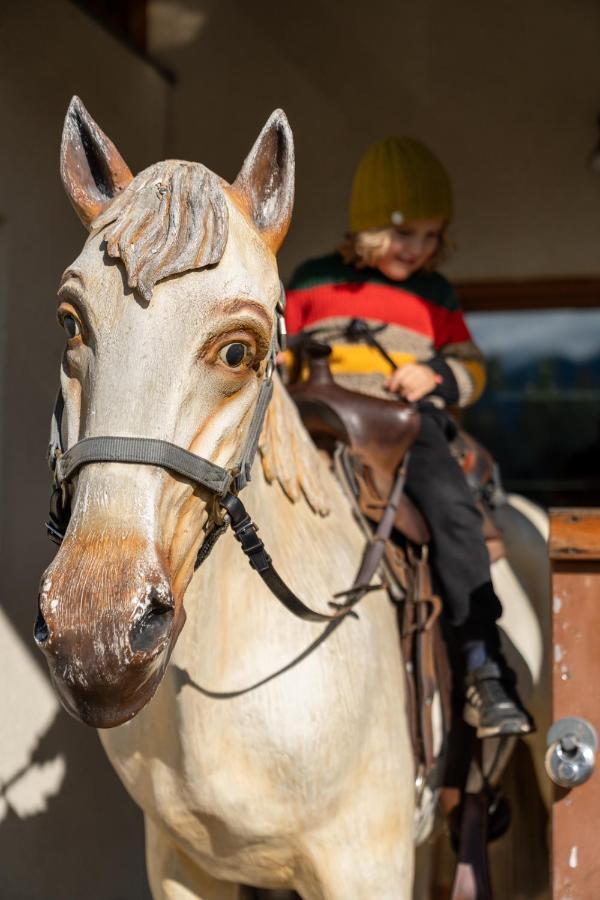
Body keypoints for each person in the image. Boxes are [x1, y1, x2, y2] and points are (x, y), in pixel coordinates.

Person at [284, 136, 533, 738]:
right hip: (322, 425)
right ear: (367, 228)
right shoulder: (313, 281)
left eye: (430, 236)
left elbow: (472, 369)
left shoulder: (436, 296)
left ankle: (481, 664)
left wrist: (436, 375)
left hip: (405, 429)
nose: (417, 250)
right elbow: (277, 353)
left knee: (453, 511)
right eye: (403, 234)